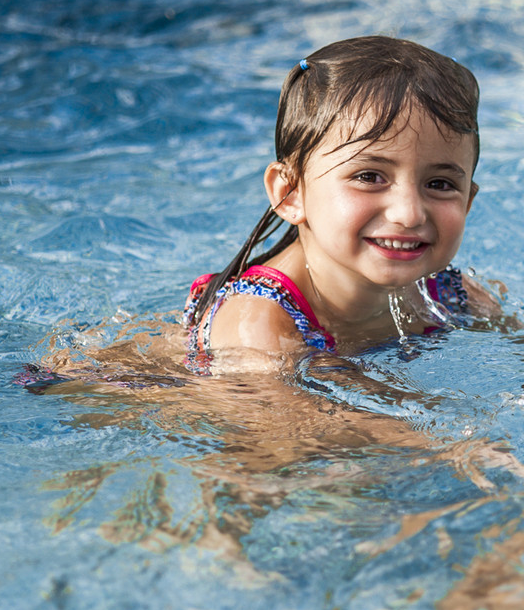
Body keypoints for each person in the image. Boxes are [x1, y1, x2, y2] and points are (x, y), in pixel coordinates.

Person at [182, 36, 498, 374]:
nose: (409, 214)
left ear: (467, 203)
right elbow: (291, 426)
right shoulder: (257, 325)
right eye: (369, 176)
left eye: (439, 184)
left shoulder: (449, 294)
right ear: (291, 193)